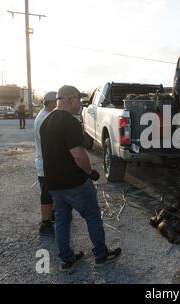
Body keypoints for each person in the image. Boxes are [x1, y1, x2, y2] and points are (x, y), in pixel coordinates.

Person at [40, 85, 121, 271]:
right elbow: (79, 155)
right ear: (69, 99)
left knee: (61, 221)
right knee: (92, 217)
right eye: (78, 99)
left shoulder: (46, 121)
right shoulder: (70, 122)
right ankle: (101, 255)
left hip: (54, 184)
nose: (80, 103)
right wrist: (90, 172)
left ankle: (67, 260)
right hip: (75, 183)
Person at [34, 91, 57, 236]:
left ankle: (51, 217)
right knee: (46, 195)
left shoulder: (45, 115)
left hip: (45, 163)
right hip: (45, 164)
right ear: (50, 103)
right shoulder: (44, 118)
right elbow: (49, 144)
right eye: (56, 102)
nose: (57, 104)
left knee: (49, 193)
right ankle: (46, 223)